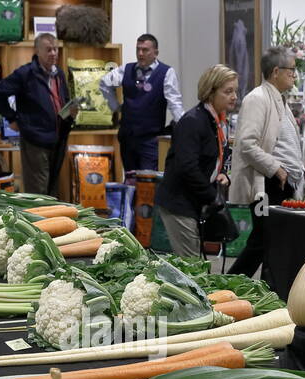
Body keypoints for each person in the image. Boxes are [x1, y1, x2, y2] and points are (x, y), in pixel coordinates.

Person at [227, 47, 300, 277]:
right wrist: (276, 168)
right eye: (291, 70)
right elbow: (246, 145)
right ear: (276, 71)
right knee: (263, 240)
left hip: (280, 184)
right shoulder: (257, 98)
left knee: (272, 242)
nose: (294, 75)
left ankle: (270, 288)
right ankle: (229, 286)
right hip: (266, 185)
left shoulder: (279, 99)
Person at [154, 64, 239, 258]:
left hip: (194, 200)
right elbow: (187, 167)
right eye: (228, 91)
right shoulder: (193, 121)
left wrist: (223, 173)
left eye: (235, 91)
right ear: (211, 92)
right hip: (179, 202)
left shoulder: (218, 121)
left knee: (194, 264)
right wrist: (211, 196)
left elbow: (222, 152)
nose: (234, 96)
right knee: (191, 266)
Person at [0, 33, 72, 196]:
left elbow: (63, 100)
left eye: (55, 49)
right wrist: (12, 118)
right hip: (35, 139)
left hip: (58, 139)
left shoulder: (59, 74)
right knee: (38, 191)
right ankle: (36, 221)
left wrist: (70, 111)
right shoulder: (25, 74)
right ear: (37, 51)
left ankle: (51, 221)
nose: (54, 53)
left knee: (52, 189)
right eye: (48, 50)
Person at [99, 33, 184, 173]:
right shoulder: (127, 69)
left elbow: (175, 103)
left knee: (148, 181)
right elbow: (104, 83)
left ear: (155, 53)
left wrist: (183, 126)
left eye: (145, 50)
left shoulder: (166, 73)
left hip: (150, 139)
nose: (140, 53)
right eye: (138, 49)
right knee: (130, 179)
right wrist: (115, 106)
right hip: (127, 137)